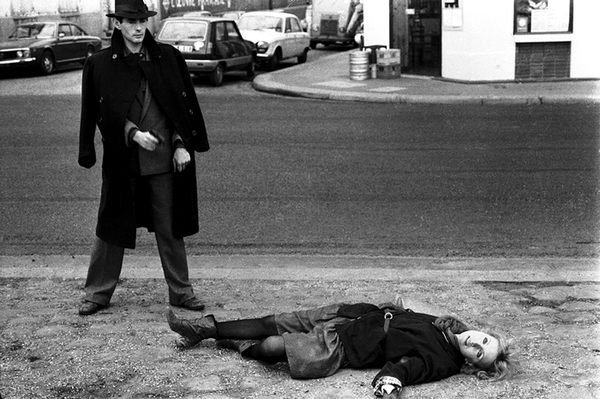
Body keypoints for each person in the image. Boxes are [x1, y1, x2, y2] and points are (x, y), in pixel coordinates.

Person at [77, 0, 209, 315]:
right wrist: (132, 132)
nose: (138, 28)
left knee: (170, 228)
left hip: (164, 161)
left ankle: (181, 292)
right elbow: (101, 114)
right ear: (117, 24)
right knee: (111, 228)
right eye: (130, 21)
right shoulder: (100, 64)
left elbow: (181, 107)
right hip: (124, 161)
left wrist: (180, 145)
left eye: (142, 21)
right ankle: (97, 293)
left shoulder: (168, 58)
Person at [167, 300, 519, 398]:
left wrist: (389, 382)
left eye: (479, 354)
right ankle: (205, 329)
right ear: (482, 331)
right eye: (483, 340)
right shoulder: (448, 323)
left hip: (344, 347)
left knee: (272, 347)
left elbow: (406, 367)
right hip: (350, 316)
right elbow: (404, 314)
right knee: (275, 321)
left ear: (473, 366)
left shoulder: (442, 362)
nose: (475, 345)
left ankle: (235, 343)